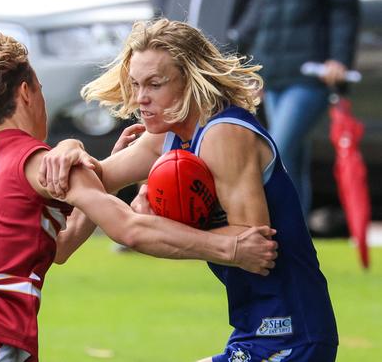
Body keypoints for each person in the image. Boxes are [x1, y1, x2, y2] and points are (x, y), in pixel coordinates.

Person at [0, 25, 277, 362]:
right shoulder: (39, 162)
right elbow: (128, 229)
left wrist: (83, 159)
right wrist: (231, 249)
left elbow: (56, 248)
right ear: (27, 92)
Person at [40, 19, 338, 361]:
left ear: (190, 79)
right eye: (135, 84)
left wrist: (162, 222)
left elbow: (253, 248)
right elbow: (92, 186)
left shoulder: (223, 134)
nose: (141, 98)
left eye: (155, 84)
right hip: (253, 330)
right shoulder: (165, 136)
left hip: (291, 333)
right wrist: (69, 149)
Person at [249, 0, 360, 215]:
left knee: (275, 153)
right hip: (274, 80)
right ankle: (298, 242)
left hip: (310, 76)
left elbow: (344, 11)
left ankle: (281, 233)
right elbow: (262, 22)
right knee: (291, 165)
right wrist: (256, 71)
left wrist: (339, 59)